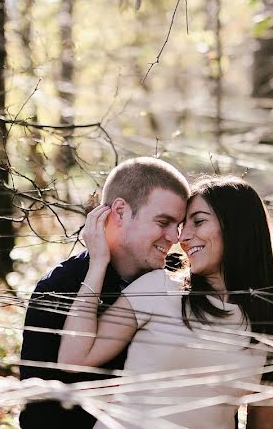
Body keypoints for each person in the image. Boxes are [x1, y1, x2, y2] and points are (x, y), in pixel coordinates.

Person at [58, 177, 273, 429]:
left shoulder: (272, 325)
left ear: (237, 227)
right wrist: (98, 263)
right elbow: (74, 358)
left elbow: (262, 425)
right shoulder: (158, 288)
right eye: (184, 225)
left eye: (199, 222)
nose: (183, 237)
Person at [19, 157, 190, 429]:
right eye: (164, 222)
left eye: (178, 225)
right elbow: (40, 408)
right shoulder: (59, 287)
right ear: (120, 212)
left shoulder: (179, 279)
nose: (175, 237)